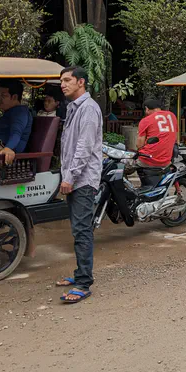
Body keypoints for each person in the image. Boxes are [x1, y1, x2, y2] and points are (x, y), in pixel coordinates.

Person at [55, 66, 103, 304]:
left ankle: (84, 282)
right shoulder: (73, 108)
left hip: (83, 180)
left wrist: (69, 177)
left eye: (67, 80)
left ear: (81, 82)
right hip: (75, 178)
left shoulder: (89, 109)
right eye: (61, 80)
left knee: (82, 230)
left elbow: (84, 148)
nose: (62, 84)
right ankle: (79, 275)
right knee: (77, 229)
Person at [136, 98, 178, 187]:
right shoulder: (172, 116)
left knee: (124, 166)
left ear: (147, 108)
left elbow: (139, 144)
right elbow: (175, 137)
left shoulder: (145, 120)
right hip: (167, 160)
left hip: (148, 160)